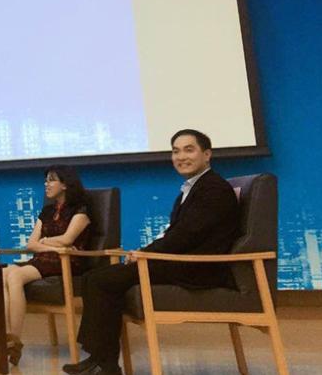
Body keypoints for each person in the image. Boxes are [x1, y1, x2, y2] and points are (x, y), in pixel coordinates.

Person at [63, 129, 239, 375]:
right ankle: (101, 359)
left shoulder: (214, 189)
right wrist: (144, 253)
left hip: (198, 268)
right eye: (176, 151)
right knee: (96, 277)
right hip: (179, 261)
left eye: (189, 150)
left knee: (102, 280)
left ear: (207, 154)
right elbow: (177, 234)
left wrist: (145, 254)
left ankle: (104, 362)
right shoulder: (193, 189)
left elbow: (186, 236)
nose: (181, 157)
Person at [0, 165, 92, 365]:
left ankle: (13, 338)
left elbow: (68, 239)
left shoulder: (80, 210)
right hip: (44, 259)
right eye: (45, 180)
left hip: (67, 262)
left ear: (65, 184)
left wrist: (46, 242)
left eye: (51, 180)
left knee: (16, 275)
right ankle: (9, 338)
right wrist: (51, 245)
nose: (46, 184)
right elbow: (31, 244)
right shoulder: (47, 211)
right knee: (4, 273)